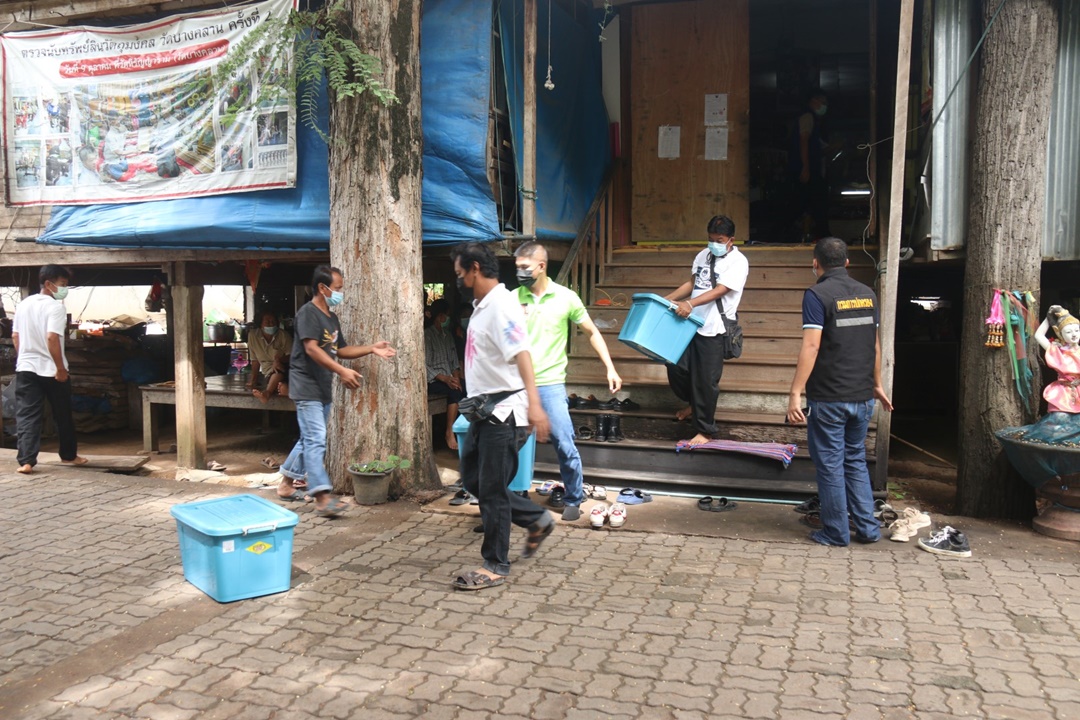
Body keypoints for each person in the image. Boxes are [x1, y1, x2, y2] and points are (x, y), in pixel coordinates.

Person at [450, 242, 553, 591]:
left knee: (492, 490)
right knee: (474, 481)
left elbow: (522, 353)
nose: (460, 281)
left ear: (475, 268)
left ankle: (495, 564)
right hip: (484, 412)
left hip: (505, 413)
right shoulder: (483, 307)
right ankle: (536, 518)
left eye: (461, 274)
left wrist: (535, 404)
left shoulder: (502, 305)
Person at [786, 237, 893, 547]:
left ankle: (835, 532)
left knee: (831, 466)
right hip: (862, 396)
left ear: (815, 263)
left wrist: (795, 392)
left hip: (829, 398)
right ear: (847, 262)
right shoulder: (868, 294)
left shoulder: (816, 295)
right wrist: (877, 384)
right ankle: (868, 529)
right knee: (855, 460)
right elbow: (875, 345)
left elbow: (811, 345)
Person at [514, 241, 622, 521]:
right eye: (517, 268)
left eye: (524, 267)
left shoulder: (566, 298)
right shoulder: (513, 298)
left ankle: (574, 497)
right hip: (517, 385)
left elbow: (592, 332)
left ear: (541, 266)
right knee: (509, 445)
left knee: (564, 442)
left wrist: (610, 368)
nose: (520, 273)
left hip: (550, 384)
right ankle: (510, 500)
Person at [276, 265, 396, 517]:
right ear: (322, 288)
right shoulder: (308, 313)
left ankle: (286, 485)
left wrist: (371, 349)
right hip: (305, 385)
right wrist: (341, 371)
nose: (340, 293)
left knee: (308, 438)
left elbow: (340, 350)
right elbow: (311, 348)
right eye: (338, 288)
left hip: (322, 386)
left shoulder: (331, 318)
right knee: (316, 439)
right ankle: (322, 496)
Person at [664, 215, 749, 447]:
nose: (714, 244)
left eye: (719, 240)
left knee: (705, 380)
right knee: (675, 365)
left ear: (731, 240)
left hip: (715, 328)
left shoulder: (738, 262)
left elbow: (721, 290)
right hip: (690, 324)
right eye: (711, 239)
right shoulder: (703, 255)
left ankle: (705, 430)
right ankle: (694, 404)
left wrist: (690, 304)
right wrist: (666, 299)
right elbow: (693, 283)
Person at [12, 265, 87, 474]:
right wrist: (60, 368)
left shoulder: (23, 305)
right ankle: (69, 455)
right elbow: (52, 338)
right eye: (62, 284)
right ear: (48, 284)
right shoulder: (55, 307)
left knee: (27, 415)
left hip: (26, 368)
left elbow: (16, 336)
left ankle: (26, 461)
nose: (64, 289)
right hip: (52, 370)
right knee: (62, 414)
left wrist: (24, 357)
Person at [789, 88, 831, 241]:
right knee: (814, 204)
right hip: (806, 170)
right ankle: (825, 237)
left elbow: (817, 148)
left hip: (809, 170)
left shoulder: (814, 121)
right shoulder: (807, 117)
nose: (825, 106)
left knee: (806, 204)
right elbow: (804, 141)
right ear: (814, 101)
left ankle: (823, 236)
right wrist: (805, 167)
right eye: (823, 102)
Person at [425, 298, 465, 450]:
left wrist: (456, 378)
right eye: (446, 315)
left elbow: (454, 361)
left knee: (466, 389)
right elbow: (424, 365)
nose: (447, 318)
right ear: (440, 316)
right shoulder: (427, 335)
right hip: (434, 380)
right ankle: (449, 432)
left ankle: (464, 432)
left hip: (449, 378)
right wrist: (445, 379)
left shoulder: (448, 335)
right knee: (454, 392)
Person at [248, 309, 293, 403]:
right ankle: (285, 389)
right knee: (281, 385)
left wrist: (279, 360)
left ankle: (267, 394)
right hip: (268, 373)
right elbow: (255, 360)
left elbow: (292, 356)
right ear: (260, 324)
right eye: (267, 322)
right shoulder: (253, 336)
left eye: (273, 321)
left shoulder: (283, 335)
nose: (271, 324)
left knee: (278, 370)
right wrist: (253, 381)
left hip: (284, 368)